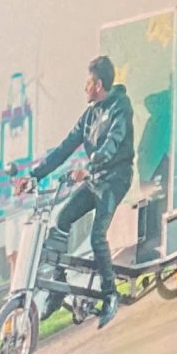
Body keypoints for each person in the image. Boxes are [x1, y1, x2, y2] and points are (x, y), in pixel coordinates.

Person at [21, 55, 136, 324]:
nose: (84, 87)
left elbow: (112, 144)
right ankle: (58, 288)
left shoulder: (121, 107)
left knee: (97, 236)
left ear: (98, 84)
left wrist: (89, 166)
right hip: (94, 180)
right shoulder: (90, 115)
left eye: (88, 82)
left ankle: (110, 294)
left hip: (115, 179)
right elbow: (64, 148)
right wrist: (34, 176)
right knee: (60, 220)